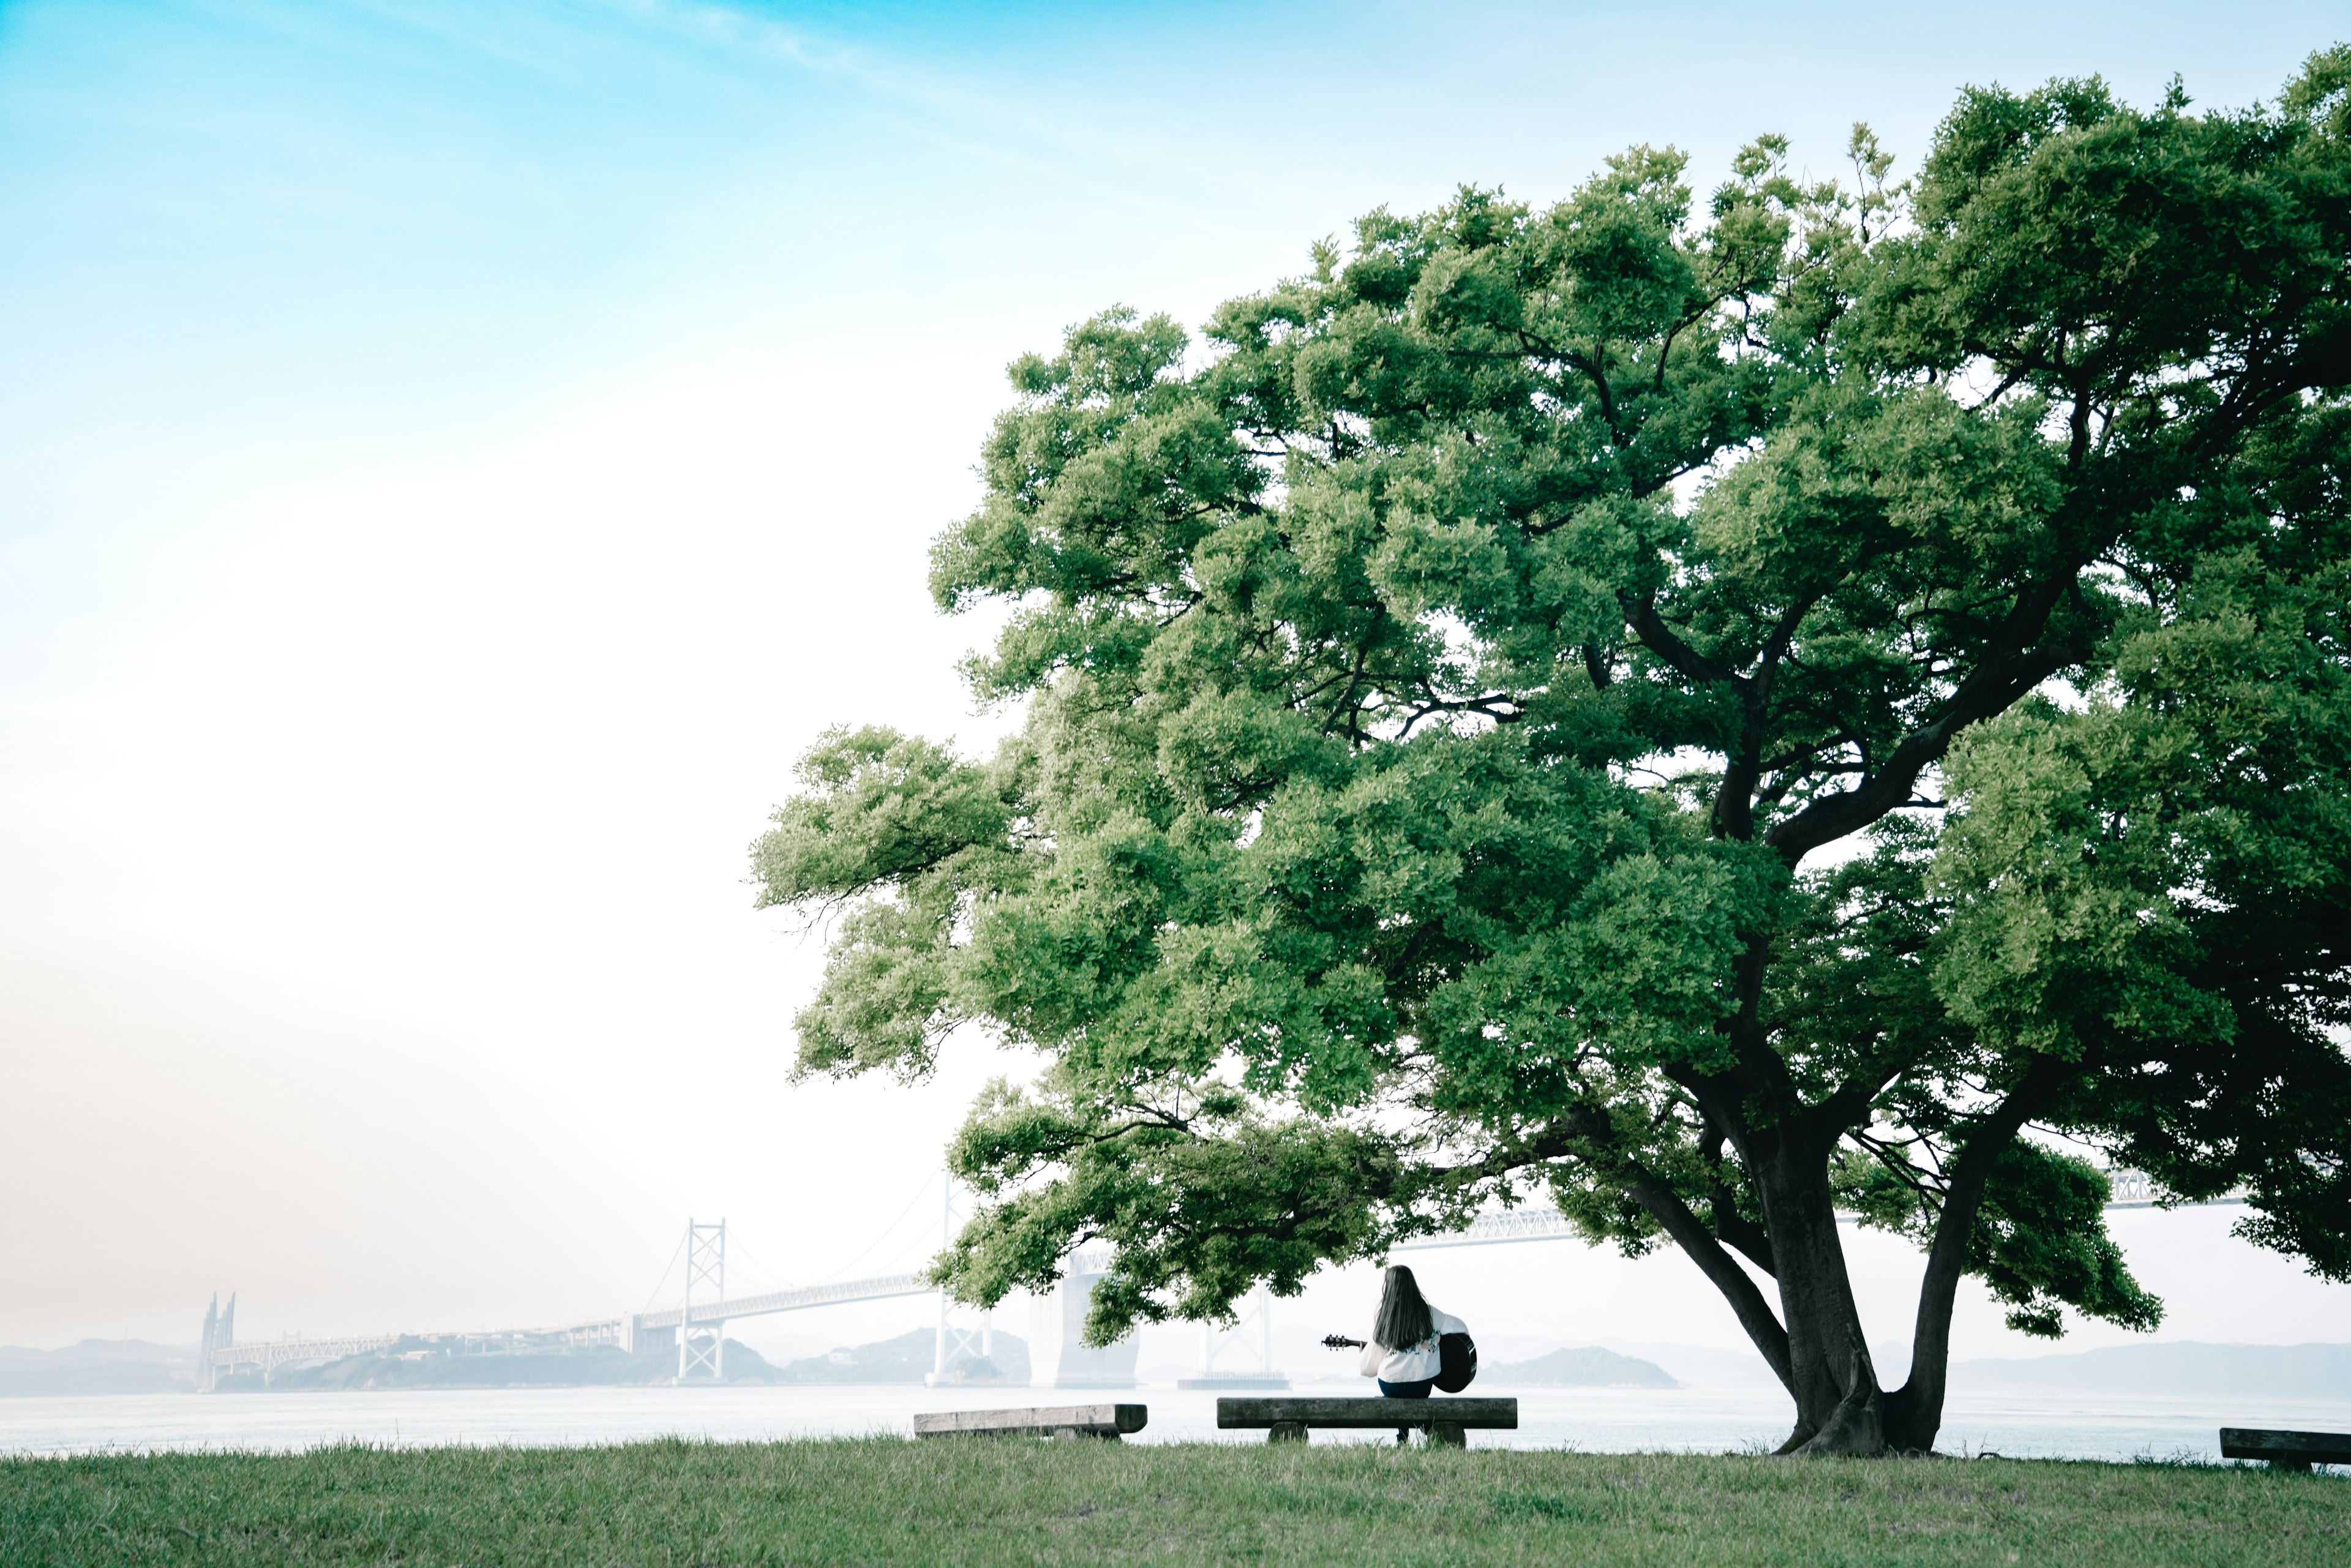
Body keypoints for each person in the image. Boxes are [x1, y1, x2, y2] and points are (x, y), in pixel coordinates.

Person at [1355, 1264, 1467, 1443]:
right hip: (1421, 1386)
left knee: (1397, 1382)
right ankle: (1420, 1429)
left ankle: (1403, 1435)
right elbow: (1461, 1328)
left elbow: (1365, 1369)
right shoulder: (1430, 1314)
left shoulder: (1385, 1318)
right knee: (1413, 1380)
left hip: (1391, 1386)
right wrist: (1437, 1341)